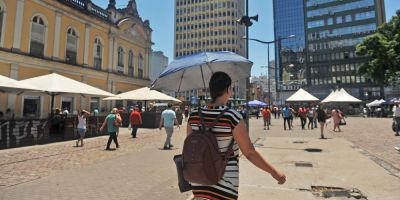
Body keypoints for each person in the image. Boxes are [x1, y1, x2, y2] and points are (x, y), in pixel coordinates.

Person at [187, 72, 286, 200]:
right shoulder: (231, 116)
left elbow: (190, 148)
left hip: (198, 181)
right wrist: (274, 172)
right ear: (228, 90)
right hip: (224, 185)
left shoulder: (194, 115)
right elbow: (249, 152)